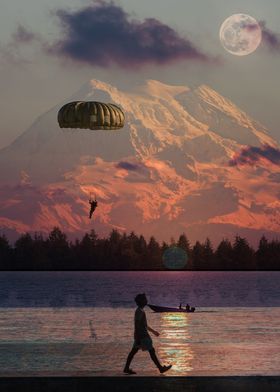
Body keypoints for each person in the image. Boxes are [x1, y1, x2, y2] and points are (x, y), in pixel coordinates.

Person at [123, 293, 172, 375]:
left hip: (141, 335)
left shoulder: (140, 310)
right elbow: (138, 324)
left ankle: (126, 368)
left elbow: (144, 325)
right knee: (151, 351)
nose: (146, 300)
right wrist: (138, 337)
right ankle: (160, 368)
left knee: (134, 352)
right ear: (141, 301)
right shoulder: (139, 311)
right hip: (142, 336)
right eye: (145, 299)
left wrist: (153, 332)